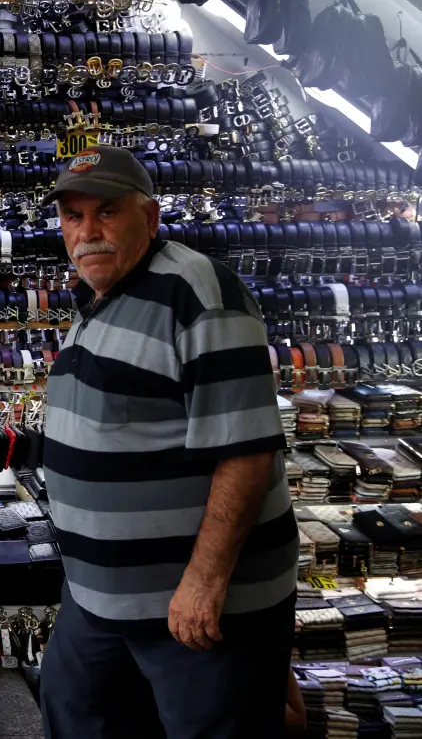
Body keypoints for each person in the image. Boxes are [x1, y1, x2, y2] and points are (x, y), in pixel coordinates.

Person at [37, 146, 298, 737]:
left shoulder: (199, 294)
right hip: (100, 600)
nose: (87, 232)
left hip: (195, 607)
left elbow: (248, 453)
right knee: (74, 711)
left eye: (106, 212)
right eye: (73, 218)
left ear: (149, 218)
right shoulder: (102, 298)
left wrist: (204, 583)